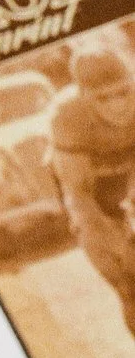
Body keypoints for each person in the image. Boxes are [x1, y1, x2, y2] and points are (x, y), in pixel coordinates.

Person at [50, 30, 135, 337]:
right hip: (90, 187)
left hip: (128, 169)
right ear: (84, 95)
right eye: (104, 97)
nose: (118, 105)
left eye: (123, 92)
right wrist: (115, 244)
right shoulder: (67, 117)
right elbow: (79, 195)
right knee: (128, 282)